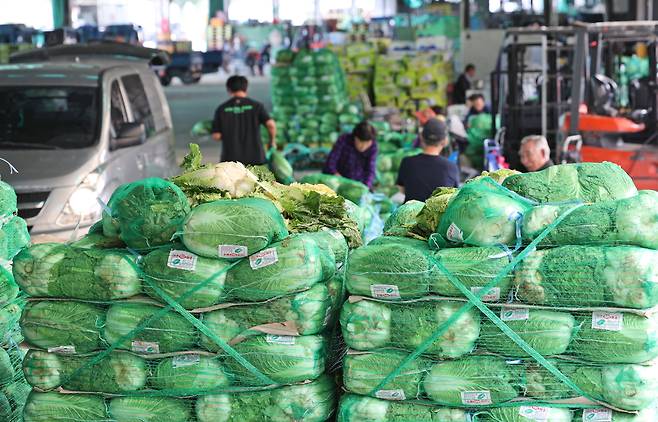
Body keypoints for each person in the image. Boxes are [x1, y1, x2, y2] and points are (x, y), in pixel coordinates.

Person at [211, 75, 276, 165]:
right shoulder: (256, 106)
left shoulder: (222, 109)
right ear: (246, 88)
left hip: (231, 161)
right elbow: (271, 125)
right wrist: (272, 141)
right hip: (256, 158)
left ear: (229, 89)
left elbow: (216, 136)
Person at [397, 118, 460, 202]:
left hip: (411, 214)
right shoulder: (451, 167)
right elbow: (454, 195)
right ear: (445, 141)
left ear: (421, 137)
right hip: (439, 215)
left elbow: (402, 190)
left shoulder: (407, 162)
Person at [323, 121, 378, 189]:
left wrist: (365, 186)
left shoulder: (373, 146)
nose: (363, 146)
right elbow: (330, 162)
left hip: (358, 184)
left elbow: (370, 170)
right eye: (360, 142)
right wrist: (336, 176)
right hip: (337, 181)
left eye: (367, 143)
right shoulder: (343, 140)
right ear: (355, 137)